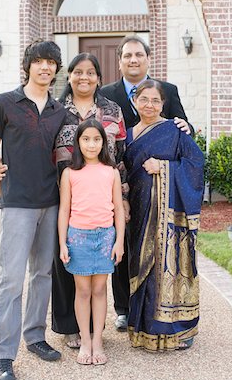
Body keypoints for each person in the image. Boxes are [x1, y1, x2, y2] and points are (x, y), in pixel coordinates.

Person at [0, 40, 66, 380]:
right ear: (28, 65)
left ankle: (35, 337)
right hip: (17, 204)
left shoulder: (59, 110)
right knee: (10, 280)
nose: (45, 68)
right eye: (39, 62)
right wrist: (4, 192)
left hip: (51, 202)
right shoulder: (5, 103)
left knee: (42, 275)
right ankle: (4, 354)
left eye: (51, 63)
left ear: (56, 70)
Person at [100, 35, 193, 331]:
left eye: (139, 54)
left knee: (162, 249)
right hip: (123, 187)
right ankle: (124, 308)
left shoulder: (168, 90)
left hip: (162, 196)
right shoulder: (107, 94)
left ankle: (161, 306)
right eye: (127, 55)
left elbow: (181, 130)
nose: (133, 60)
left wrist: (186, 125)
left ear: (148, 58)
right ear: (120, 61)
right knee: (122, 247)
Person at [52, 53, 128, 348]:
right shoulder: (56, 110)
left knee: (100, 274)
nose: (84, 77)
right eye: (77, 72)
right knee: (66, 264)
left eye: (90, 72)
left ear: (98, 77)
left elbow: (121, 155)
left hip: (103, 197)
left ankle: (97, 333)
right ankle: (71, 328)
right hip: (61, 193)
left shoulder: (112, 110)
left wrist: (124, 195)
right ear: (69, 76)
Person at [123, 79, 204, 352]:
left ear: (163, 103)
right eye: (144, 99)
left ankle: (176, 329)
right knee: (140, 267)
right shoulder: (127, 136)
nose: (149, 105)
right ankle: (142, 328)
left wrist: (164, 167)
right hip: (138, 213)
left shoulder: (174, 130)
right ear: (135, 101)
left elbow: (196, 163)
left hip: (168, 219)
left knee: (166, 265)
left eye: (155, 100)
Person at [58, 119, 125, 365]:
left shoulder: (111, 172)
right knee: (83, 290)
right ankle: (84, 340)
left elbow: (118, 208)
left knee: (99, 289)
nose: (91, 144)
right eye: (86, 139)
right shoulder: (70, 173)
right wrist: (63, 243)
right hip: (78, 237)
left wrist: (119, 242)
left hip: (105, 236)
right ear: (78, 142)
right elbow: (64, 210)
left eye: (97, 139)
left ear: (103, 143)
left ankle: (98, 340)